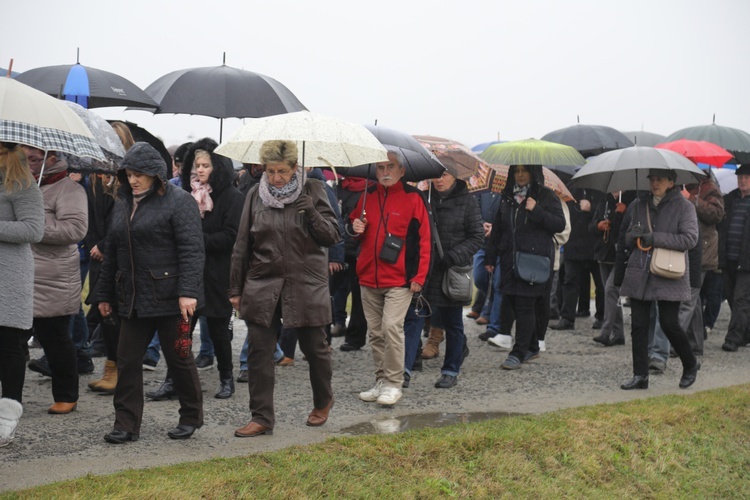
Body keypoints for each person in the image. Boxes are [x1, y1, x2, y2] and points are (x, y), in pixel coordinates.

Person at [229, 140, 340, 438]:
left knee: (315, 349)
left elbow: (332, 236)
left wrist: (312, 213)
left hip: (305, 283)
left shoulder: (314, 190)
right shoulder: (255, 194)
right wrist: (235, 289)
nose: (276, 177)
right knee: (259, 351)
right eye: (270, 171)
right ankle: (261, 416)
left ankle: (322, 401)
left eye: (282, 171)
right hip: (262, 282)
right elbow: (242, 244)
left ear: (295, 168)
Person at [96, 142, 205, 443]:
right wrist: (103, 295)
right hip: (132, 298)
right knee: (127, 359)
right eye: (129, 174)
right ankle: (126, 424)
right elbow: (112, 251)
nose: (133, 180)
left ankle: (191, 416)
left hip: (174, 299)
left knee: (180, 356)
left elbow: (192, 250)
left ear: (156, 174)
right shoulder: (121, 202)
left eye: (140, 174)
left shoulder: (180, 201)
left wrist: (188, 292)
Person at [349, 148, 432, 405]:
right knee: (375, 333)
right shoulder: (366, 196)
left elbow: (425, 241)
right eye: (381, 167)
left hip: (400, 279)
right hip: (367, 278)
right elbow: (353, 231)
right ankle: (381, 381)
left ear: (402, 171)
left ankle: (394, 384)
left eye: (390, 167)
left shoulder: (414, 198)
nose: (385, 172)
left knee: (391, 328)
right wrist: (355, 227)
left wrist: (419, 276)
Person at [614, 168, 701, 390]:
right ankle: (640, 375)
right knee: (639, 325)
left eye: (659, 179)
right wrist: (633, 236)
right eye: (652, 179)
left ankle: (690, 364)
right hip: (641, 270)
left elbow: (690, 239)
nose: (654, 183)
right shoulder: (638, 204)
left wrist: (656, 238)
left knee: (669, 323)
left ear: (671, 182)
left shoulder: (685, 206)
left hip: (668, 271)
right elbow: (625, 237)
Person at [22, 146, 88, 414]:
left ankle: (66, 395)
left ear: (51, 157)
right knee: (11, 341)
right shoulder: (20, 185)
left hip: (53, 277)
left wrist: (32, 225)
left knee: (56, 339)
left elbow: (75, 229)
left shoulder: (68, 189)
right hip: (20, 273)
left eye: (34, 159)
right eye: (24, 158)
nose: (29, 164)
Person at [485, 165, 566, 370]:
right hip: (509, 259)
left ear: (533, 172)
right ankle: (531, 347)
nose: (520, 175)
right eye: (516, 171)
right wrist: (490, 256)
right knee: (511, 301)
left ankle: (518, 352)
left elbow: (559, 224)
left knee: (525, 304)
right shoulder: (507, 197)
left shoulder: (545, 196)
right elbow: (499, 229)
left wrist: (537, 210)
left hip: (533, 260)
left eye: (524, 170)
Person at [420, 170, 483, 388]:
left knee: (453, 322)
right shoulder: (424, 199)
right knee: (416, 317)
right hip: (425, 269)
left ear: (456, 176)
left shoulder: (467, 202)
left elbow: (477, 237)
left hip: (452, 271)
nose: (438, 179)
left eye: (444, 175)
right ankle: (409, 364)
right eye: (435, 175)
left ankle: (450, 370)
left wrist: (453, 256)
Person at [0, 142, 44, 443]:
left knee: (10, 345)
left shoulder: (24, 186)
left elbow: (33, 230)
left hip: (9, 278)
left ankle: (8, 412)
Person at [590, 191, 634, 347]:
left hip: (621, 255)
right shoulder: (603, 201)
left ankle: (606, 331)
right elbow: (591, 226)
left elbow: (634, 228)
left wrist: (625, 212)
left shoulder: (631, 200)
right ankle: (619, 333)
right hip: (603, 253)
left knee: (610, 289)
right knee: (612, 294)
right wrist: (598, 226)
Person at [718, 164, 750, 352]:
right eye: (740, 177)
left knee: (739, 299)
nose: (742, 180)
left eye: (746, 177)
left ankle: (733, 337)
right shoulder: (730, 199)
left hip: (747, 261)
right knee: (732, 297)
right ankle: (746, 332)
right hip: (728, 257)